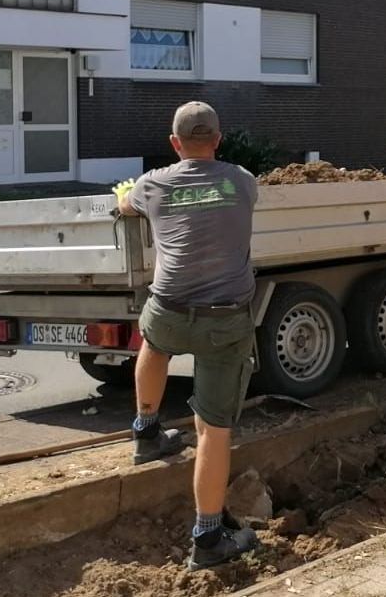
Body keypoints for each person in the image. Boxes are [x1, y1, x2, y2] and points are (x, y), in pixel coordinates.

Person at [115, 101, 261, 570]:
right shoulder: (242, 181)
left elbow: (124, 205)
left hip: (169, 308)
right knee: (213, 429)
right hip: (224, 320)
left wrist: (129, 198)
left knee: (154, 344)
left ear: (174, 143)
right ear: (218, 139)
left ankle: (146, 430)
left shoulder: (151, 184)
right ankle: (207, 536)